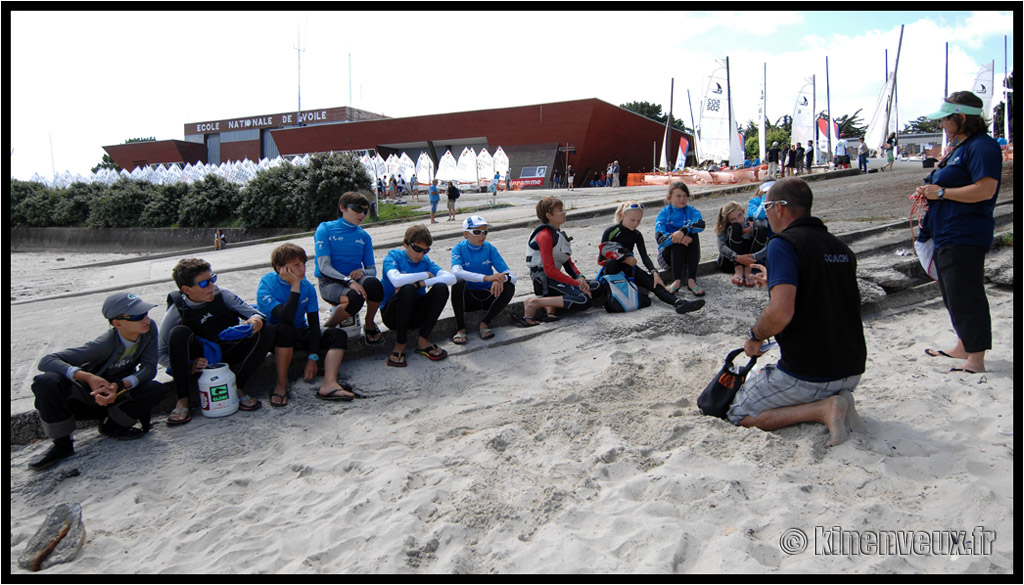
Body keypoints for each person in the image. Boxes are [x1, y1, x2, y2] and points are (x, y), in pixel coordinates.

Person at [726, 177, 867, 447]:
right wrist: (775, 283)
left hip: (810, 372)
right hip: (851, 368)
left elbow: (779, 314)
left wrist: (754, 336)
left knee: (738, 411)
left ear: (779, 207)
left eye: (765, 208)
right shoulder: (840, 248)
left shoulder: (783, 243)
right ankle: (836, 399)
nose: (764, 215)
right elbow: (823, 290)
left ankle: (822, 409)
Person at [28, 292, 167, 470]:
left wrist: (119, 385)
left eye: (146, 313)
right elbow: (46, 361)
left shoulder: (148, 330)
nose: (145, 319)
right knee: (46, 381)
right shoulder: (104, 344)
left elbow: (149, 368)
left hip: (116, 394)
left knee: (155, 389)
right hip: (89, 397)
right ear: (117, 323)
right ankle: (62, 445)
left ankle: (113, 426)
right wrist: (88, 377)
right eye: (138, 316)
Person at [916, 91, 1002, 375]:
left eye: (945, 120)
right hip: (946, 232)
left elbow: (986, 189)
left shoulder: (982, 147)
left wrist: (941, 192)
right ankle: (964, 345)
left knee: (966, 294)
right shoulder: (961, 146)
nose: (942, 126)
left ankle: (975, 359)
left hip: (964, 233)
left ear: (961, 118)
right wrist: (929, 191)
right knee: (952, 292)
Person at [158, 259, 273, 425]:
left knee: (268, 330)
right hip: (204, 362)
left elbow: (257, 314)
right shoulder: (177, 311)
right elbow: (160, 353)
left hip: (228, 349)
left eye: (213, 279)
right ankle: (183, 400)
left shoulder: (223, 294)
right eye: (204, 283)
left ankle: (238, 386)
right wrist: (189, 365)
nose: (211, 286)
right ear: (186, 289)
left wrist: (255, 321)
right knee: (179, 333)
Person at [257, 243, 355, 405]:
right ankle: (281, 384)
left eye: (303, 264)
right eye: (296, 265)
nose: (302, 269)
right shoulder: (267, 284)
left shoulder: (307, 287)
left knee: (338, 334)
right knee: (286, 328)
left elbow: (314, 324)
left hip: (299, 331)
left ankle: (329, 383)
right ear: (280, 268)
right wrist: (295, 285)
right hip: (276, 336)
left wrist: (312, 357)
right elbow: (285, 316)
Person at [599, 201, 705, 314]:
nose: (635, 224)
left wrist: (654, 273)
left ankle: (679, 303)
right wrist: (624, 258)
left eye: (638, 221)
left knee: (654, 283)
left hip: (629, 268)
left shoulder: (637, 235)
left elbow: (644, 257)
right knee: (611, 263)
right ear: (622, 215)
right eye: (632, 220)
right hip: (613, 270)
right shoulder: (611, 232)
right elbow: (602, 257)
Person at [514, 196, 604, 326]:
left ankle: (552, 305)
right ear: (549, 215)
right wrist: (575, 284)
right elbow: (549, 270)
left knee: (597, 286)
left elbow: (567, 261)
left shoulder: (557, 234)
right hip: (544, 280)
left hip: (555, 279)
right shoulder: (544, 236)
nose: (564, 213)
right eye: (560, 210)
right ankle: (534, 303)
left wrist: (580, 278)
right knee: (584, 300)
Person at [313, 191, 386, 343]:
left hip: (354, 280)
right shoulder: (325, 229)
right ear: (342, 207)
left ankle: (370, 323)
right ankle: (327, 328)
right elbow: (323, 266)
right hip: (330, 282)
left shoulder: (364, 236)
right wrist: (348, 281)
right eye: (357, 209)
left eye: (365, 211)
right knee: (355, 298)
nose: (362, 214)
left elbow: (372, 270)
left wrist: (361, 271)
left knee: (375, 285)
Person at [381, 225, 456, 366]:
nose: (420, 255)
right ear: (405, 244)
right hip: (393, 315)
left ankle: (423, 340)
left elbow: (451, 279)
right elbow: (396, 280)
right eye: (417, 249)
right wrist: (424, 275)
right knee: (407, 289)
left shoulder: (425, 261)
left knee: (441, 288)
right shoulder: (393, 257)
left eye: (425, 251)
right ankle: (400, 344)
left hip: (415, 314)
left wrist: (421, 283)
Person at [449, 215, 517, 344]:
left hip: (488, 296)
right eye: (477, 232)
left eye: (485, 232)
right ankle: (460, 328)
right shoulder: (458, 249)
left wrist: (500, 278)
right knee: (457, 282)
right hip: (468, 299)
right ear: (465, 234)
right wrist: (486, 278)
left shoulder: (490, 248)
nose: (482, 235)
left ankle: (485, 323)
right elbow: (456, 271)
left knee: (509, 285)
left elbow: (512, 277)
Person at [654, 181, 706, 297]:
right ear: (669, 198)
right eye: (678, 196)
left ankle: (691, 279)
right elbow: (660, 239)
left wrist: (683, 231)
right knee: (677, 240)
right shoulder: (663, 214)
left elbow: (701, 224)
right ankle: (676, 280)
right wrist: (678, 237)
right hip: (667, 258)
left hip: (688, 259)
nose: (682, 199)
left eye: (685, 196)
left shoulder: (691, 211)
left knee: (692, 234)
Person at [715, 200, 768, 287]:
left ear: (743, 212)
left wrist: (754, 257)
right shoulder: (724, 227)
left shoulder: (753, 222)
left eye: (739, 215)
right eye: (733, 219)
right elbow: (721, 247)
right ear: (728, 221)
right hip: (731, 262)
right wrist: (737, 258)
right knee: (736, 227)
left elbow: (768, 245)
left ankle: (748, 269)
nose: (739, 220)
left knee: (761, 228)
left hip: (751, 261)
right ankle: (738, 269)